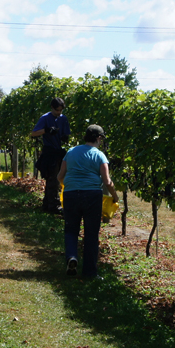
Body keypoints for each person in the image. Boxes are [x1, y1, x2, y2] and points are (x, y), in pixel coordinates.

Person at [58, 124, 115, 279]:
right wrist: (115, 196)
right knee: (91, 234)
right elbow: (107, 181)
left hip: (70, 194)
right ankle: (89, 272)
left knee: (71, 230)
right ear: (98, 138)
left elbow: (60, 176)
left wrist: (68, 186)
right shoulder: (99, 155)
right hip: (92, 196)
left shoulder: (71, 152)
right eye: (101, 139)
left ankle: (71, 257)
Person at [31, 97, 70, 213]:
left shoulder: (63, 119)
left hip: (60, 151)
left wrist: (65, 138)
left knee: (56, 178)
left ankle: (47, 204)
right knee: (53, 178)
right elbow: (33, 133)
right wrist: (46, 130)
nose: (59, 113)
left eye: (61, 110)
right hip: (50, 152)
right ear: (52, 107)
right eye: (57, 110)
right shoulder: (45, 118)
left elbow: (67, 134)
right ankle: (53, 206)